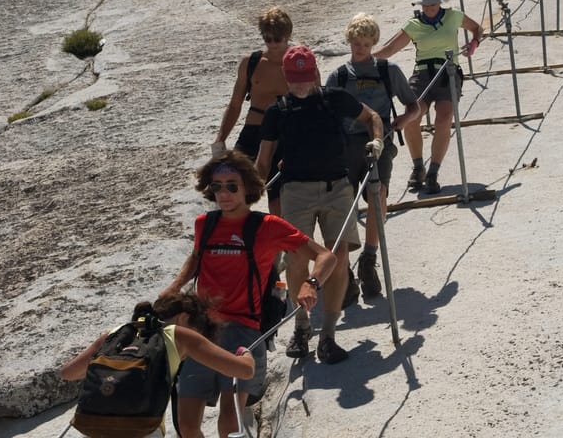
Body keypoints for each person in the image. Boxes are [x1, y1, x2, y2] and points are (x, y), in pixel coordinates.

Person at [159, 149, 336, 438]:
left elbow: (326, 256)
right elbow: (196, 258)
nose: (223, 193)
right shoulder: (205, 223)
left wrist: (310, 283)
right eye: (217, 186)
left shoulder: (268, 227)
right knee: (187, 425)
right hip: (200, 329)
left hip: (242, 328)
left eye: (232, 185)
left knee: (230, 420)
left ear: (247, 188)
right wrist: (173, 289)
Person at [256, 45, 383, 364]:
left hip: (337, 187)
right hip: (295, 191)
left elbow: (372, 117)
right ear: (286, 77)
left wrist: (376, 141)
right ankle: (301, 328)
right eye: (294, 78)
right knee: (297, 259)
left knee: (338, 257)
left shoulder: (334, 98)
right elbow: (263, 160)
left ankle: (327, 335)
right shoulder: (277, 111)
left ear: (313, 73)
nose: (300, 84)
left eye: (305, 76)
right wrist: (248, 189)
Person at [60, 293, 256, 438]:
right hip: (143, 430)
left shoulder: (116, 333)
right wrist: (246, 354)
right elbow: (244, 371)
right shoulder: (179, 335)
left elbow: (68, 373)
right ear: (184, 318)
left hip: (95, 427)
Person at [324, 13, 420, 298]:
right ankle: (347, 269)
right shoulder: (339, 76)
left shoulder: (388, 70)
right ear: (350, 42)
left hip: (380, 143)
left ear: (373, 42)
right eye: (356, 43)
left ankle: (369, 258)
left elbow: (413, 106)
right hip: (346, 145)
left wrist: (399, 124)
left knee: (378, 197)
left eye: (365, 44)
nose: (361, 49)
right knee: (346, 205)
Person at [374, 0, 483, 195]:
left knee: (444, 117)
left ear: (439, 3)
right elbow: (390, 49)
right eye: (425, 4)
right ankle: (418, 167)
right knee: (411, 115)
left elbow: (477, 28)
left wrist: (474, 44)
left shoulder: (454, 16)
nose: (428, 8)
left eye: (432, 4)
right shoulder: (413, 25)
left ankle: (433, 171)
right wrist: (364, 60)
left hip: (448, 71)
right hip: (422, 74)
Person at [210, 6, 293, 215]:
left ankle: (278, 246)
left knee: (278, 199)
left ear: (288, 35)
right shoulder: (251, 63)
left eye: (277, 39)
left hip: (285, 135)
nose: (273, 44)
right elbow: (235, 104)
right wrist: (221, 138)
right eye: (268, 38)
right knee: (232, 184)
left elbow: (315, 100)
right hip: (253, 131)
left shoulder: (299, 62)